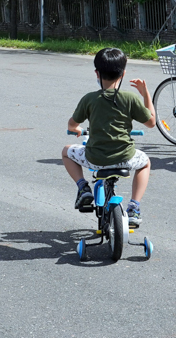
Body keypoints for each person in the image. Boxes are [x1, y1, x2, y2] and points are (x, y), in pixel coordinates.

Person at [61, 47, 156, 228]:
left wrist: (77, 129)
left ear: (97, 73)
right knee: (145, 162)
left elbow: (71, 124)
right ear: (123, 73)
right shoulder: (130, 98)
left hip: (95, 159)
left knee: (66, 151)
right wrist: (145, 95)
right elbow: (151, 122)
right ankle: (134, 207)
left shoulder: (89, 99)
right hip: (125, 159)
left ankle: (83, 188)